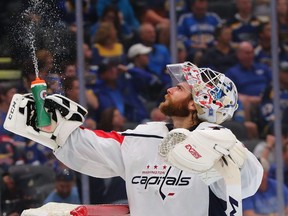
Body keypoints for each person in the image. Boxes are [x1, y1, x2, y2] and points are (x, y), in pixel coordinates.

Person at [4, 62, 263, 215]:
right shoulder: (145, 136)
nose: (170, 88)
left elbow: (248, 182)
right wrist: (55, 129)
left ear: (198, 103)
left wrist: (220, 157)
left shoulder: (221, 142)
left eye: (181, 88)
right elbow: (86, 147)